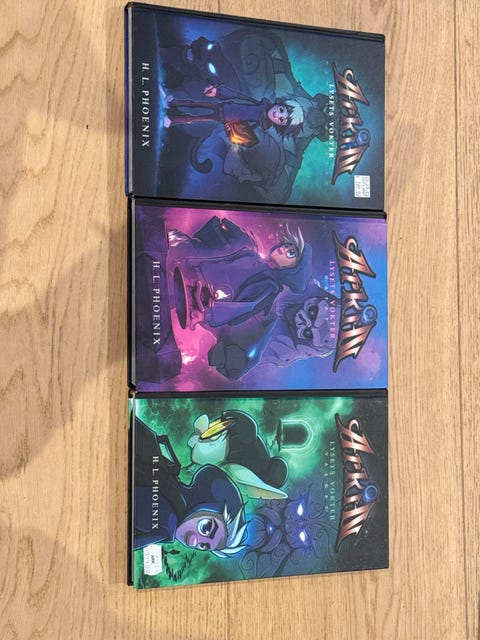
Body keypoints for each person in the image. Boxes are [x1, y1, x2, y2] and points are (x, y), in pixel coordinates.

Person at [134, 417, 247, 557]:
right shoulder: (166, 526)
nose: (193, 541)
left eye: (203, 545)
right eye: (205, 527)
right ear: (205, 504)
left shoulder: (166, 528)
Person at [163, 83, 304, 145]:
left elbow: (245, 131)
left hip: (227, 117)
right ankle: (173, 102)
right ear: (279, 103)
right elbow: (240, 96)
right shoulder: (261, 104)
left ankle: (173, 120)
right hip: (228, 106)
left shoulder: (261, 123)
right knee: (197, 104)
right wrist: (218, 92)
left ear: (279, 125)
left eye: (281, 120)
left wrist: (235, 133)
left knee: (197, 118)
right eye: (281, 110)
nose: (277, 115)